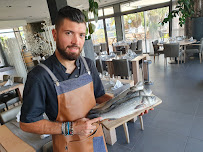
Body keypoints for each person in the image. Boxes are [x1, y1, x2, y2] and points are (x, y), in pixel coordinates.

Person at [20, 5, 152, 152]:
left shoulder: (88, 64)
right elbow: (27, 123)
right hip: (67, 146)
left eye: (81, 35)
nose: (76, 41)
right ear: (55, 34)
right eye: (69, 33)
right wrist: (71, 128)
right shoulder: (39, 76)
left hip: (97, 139)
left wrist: (132, 107)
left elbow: (100, 96)